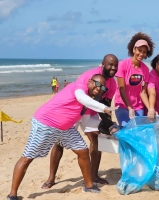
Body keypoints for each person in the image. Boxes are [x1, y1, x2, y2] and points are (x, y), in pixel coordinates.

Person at [6, 74, 118, 200]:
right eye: (97, 84)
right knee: (27, 157)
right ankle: (12, 194)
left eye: (102, 88)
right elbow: (81, 98)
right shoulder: (79, 87)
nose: (99, 89)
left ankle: (89, 185)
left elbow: (89, 120)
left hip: (65, 128)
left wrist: (110, 126)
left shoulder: (89, 100)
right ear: (89, 81)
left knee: (82, 150)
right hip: (46, 123)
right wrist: (104, 108)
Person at [42, 54, 119, 188]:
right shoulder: (89, 76)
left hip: (91, 113)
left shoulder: (112, 83)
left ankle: (94, 175)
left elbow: (106, 104)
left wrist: (109, 124)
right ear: (103, 64)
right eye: (110, 64)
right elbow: (81, 97)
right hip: (75, 111)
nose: (113, 68)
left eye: (115, 65)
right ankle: (51, 177)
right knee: (59, 142)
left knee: (96, 139)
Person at [114, 32, 154, 126]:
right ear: (133, 49)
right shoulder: (123, 65)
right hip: (122, 105)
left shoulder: (145, 69)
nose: (141, 54)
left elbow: (143, 92)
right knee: (125, 131)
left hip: (138, 107)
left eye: (144, 52)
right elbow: (121, 88)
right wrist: (129, 107)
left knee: (136, 133)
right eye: (139, 50)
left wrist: (150, 109)